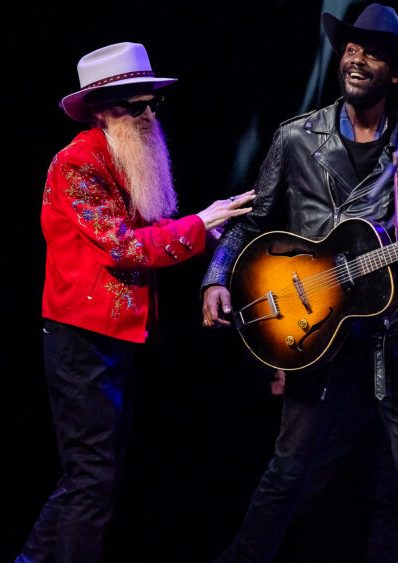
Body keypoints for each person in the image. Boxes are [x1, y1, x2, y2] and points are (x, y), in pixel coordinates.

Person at [202, 4, 398, 562]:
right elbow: (253, 221)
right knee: (290, 472)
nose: (356, 60)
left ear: (395, 73)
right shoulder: (296, 137)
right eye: (351, 48)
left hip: (394, 332)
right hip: (315, 323)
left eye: (373, 53)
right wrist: (216, 277)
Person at [19, 42, 255, 563]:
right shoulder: (76, 165)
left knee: (90, 475)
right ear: (102, 111)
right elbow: (124, 246)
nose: (149, 116)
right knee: (92, 477)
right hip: (81, 337)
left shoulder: (121, 154)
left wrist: (209, 233)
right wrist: (200, 223)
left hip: (114, 333)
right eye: (136, 106)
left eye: (153, 104)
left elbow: (148, 227)